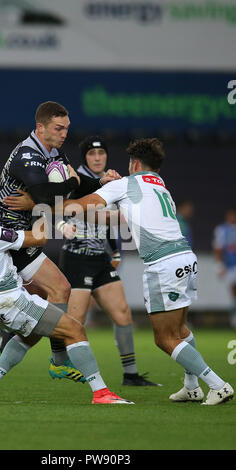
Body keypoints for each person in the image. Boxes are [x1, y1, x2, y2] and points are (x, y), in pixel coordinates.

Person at [0, 101, 119, 385]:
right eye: (59, 128)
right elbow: (46, 195)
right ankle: (58, 360)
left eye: (67, 128)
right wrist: (63, 185)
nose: (65, 133)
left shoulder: (53, 150)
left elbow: (73, 184)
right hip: (10, 237)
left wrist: (100, 181)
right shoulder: (27, 155)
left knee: (44, 300)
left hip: (24, 232)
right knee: (59, 289)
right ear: (40, 127)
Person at [60, 137, 234, 406]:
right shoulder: (160, 186)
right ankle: (191, 386)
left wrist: (47, 205)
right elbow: (114, 216)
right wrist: (110, 187)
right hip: (186, 258)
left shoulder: (125, 184)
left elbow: (82, 205)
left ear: (135, 163)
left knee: (164, 338)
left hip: (163, 264)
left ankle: (217, 384)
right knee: (181, 330)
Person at [0, 185, 133, 405]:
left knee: (27, 337)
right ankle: (101, 393)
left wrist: (4, 192)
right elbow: (40, 238)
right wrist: (41, 206)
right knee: (74, 330)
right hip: (14, 304)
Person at [56, 135, 159, 386]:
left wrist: (114, 251)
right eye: (92, 154)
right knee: (73, 322)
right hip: (76, 257)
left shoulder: (111, 181)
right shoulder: (75, 179)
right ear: (85, 158)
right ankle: (61, 363)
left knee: (123, 314)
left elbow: (111, 223)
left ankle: (130, 375)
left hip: (99, 259)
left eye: (101, 153)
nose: (98, 158)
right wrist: (60, 225)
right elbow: (56, 206)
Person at [213, 208, 236, 329]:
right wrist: (219, 266)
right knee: (233, 292)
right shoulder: (222, 230)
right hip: (230, 266)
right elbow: (218, 248)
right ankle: (234, 319)